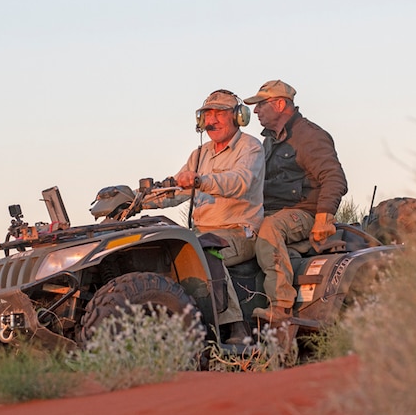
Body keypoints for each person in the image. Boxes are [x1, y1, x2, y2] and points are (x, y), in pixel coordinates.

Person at [145, 89, 264, 344]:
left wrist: (201, 180)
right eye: (208, 114)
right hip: (203, 232)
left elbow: (240, 182)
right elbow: (176, 191)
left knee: (205, 248)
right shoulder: (199, 154)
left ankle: (236, 327)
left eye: (220, 113)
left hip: (239, 231)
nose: (213, 121)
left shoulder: (250, 147)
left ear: (239, 117)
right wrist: (137, 200)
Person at [244, 80, 348, 324]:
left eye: (261, 104)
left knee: (270, 230)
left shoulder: (309, 136)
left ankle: (280, 308)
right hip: (271, 210)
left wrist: (324, 216)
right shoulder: (269, 142)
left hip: (303, 211)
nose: (256, 111)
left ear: (280, 104)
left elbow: (335, 178)